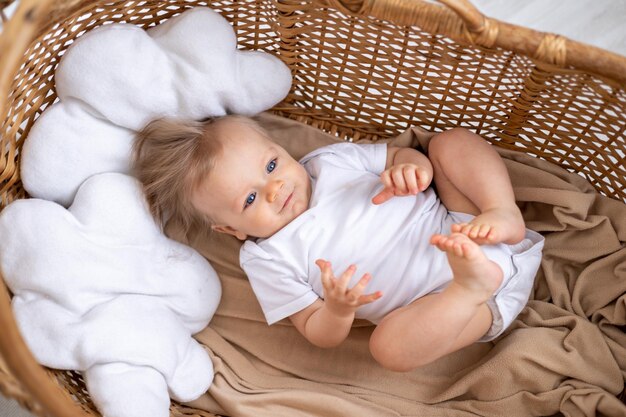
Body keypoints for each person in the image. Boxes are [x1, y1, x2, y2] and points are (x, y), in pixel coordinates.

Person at [133, 115, 544, 372]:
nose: (275, 188)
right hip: (448, 304)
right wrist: (337, 309)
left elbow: (401, 158)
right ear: (231, 230)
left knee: (448, 144)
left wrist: (411, 171)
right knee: (388, 349)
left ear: (280, 151)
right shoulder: (267, 258)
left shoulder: (331, 162)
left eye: (272, 165)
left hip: (468, 226)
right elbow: (317, 331)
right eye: (251, 199)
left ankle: (503, 210)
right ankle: (468, 286)